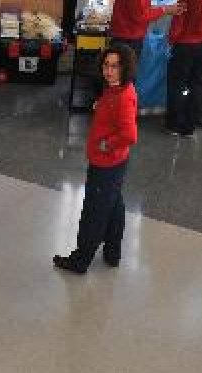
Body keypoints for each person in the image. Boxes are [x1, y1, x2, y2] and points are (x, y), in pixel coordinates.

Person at [54, 43, 139, 274]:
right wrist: (100, 105)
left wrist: (106, 144)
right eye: (106, 65)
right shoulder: (119, 88)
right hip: (116, 163)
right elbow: (113, 111)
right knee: (114, 205)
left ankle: (80, 260)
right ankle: (112, 253)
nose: (108, 71)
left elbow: (130, 135)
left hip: (106, 164)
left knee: (94, 212)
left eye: (115, 66)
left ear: (125, 68)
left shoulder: (123, 97)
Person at [163, 0, 202, 137]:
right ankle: (190, 127)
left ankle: (173, 125)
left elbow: (179, 17)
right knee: (198, 86)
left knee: (177, 86)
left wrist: (171, 40)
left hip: (185, 44)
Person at [109, 0, 186, 57]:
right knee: (125, 70)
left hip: (125, 34)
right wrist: (164, 10)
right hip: (128, 37)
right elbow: (141, 15)